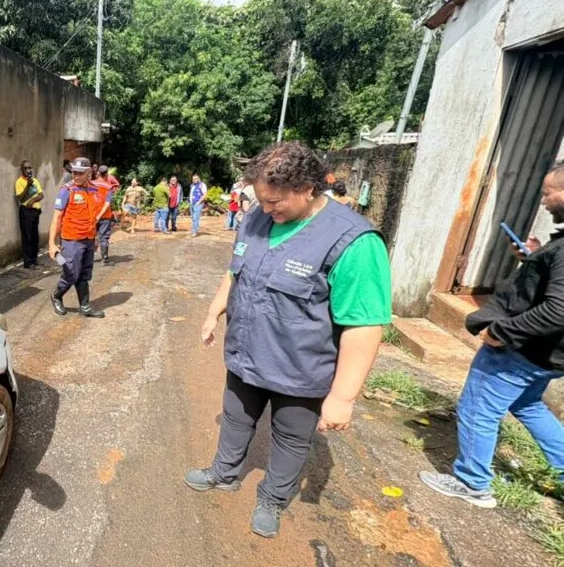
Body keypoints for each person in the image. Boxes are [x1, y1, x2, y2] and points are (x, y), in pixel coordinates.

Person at [185, 142, 391, 538]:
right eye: (261, 200)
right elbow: (236, 273)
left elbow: (364, 326)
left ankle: (273, 499)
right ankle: (224, 473)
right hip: (246, 354)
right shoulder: (255, 218)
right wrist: (215, 311)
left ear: (308, 188)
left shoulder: (354, 242)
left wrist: (343, 398)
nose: (267, 209)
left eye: (275, 201)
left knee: (292, 438)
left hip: (300, 368)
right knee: (235, 417)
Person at [420, 161, 564, 509]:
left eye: (549, 192)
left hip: (522, 352)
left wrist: (502, 330)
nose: (544, 201)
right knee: (527, 404)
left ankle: (472, 482)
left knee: (477, 409)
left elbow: (559, 308)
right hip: (550, 357)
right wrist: (532, 258)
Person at [49, 157, 108, 318]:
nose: (76, 176)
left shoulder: (94, 190)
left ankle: (85, 307)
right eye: (74, 172)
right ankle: (56, 296)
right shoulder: (67, 190)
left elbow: (93, 216)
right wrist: (52, 244)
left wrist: (95, 238)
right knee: (71, 273)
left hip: (88, 239)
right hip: (71, 240)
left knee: (84, 273)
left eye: (80, 173)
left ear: (89, 173)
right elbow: (57, 218)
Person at [15, 160, 44, 269]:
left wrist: (32, 201)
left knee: (35, 236)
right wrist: (27, 185)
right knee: (27, 237)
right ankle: (28, 263)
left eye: (30, 168)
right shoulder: (19, 182)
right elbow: (20, 198)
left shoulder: (35, 180)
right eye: (26, 168)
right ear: (21, 170)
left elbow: (41, 195)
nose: (28, 170)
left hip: (35, 211)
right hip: (26, 212)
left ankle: (34, 259)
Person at [93, 166, 117, 265]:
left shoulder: (91, 183)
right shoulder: (109, 187)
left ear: (98, 173)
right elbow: (107, 204)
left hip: (92, 215)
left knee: (90, 236)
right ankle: (105, 260)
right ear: (107, 174)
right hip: (105, 216)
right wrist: (100, 215)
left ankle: (89, 258)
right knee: (104, 237)